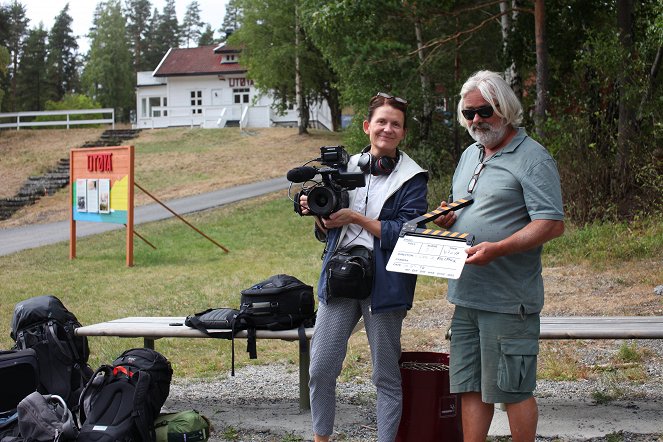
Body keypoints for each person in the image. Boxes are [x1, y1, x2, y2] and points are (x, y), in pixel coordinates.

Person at [433, 70, 565, 441]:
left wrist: (500, 248)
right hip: (466, 296)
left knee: (512, 391)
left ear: (504, 109)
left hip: (509, 301)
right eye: (469, 112)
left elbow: (552, 223)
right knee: (471, 387)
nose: (476, 120)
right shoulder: (470, 154)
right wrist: (449, 220)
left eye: (485, 111)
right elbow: (470, 210)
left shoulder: (532, 157)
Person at [299, 93, 428, 442]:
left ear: (403, 133)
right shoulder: (344, 167)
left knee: (385, 375)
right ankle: (320, 437)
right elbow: (326, 229)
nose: (388, 128)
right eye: (382, 121)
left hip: (385, 284)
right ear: (367, 126)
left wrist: (357, 217)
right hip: (340, 278)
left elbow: (406, 232)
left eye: (396, 124)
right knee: (321, 368)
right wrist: (322, 218)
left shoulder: (412, 177)